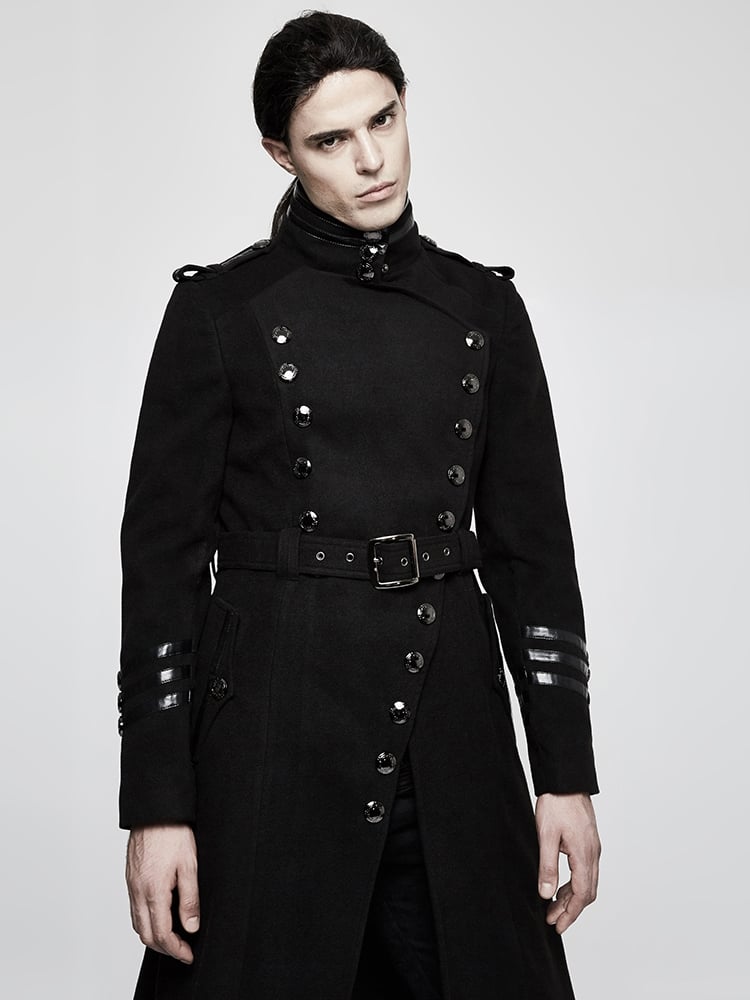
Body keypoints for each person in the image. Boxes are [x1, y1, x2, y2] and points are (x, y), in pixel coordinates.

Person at [118, 11, 601, 999]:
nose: (371, 161)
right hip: (272, 744)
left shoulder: (483, 310)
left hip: (457, 744)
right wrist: (157, 806)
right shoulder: (220, 313)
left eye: (383, 120)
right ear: (279, 154)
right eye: (330, 140)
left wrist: (566, 774)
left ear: (406, 105)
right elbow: (160, 572)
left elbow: (534, 558)